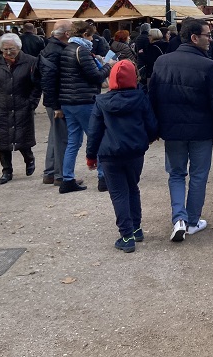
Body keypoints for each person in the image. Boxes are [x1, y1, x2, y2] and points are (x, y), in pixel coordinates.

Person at [149, 18, 213, 242]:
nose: (211, 40)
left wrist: (155, 127)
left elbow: (152, 96)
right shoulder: (209, 66)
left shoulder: (162, 62)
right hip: (201, 130)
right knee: (199, 175)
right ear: (194, 37)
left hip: (172, 130)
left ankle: (179, 218)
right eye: (207, 35)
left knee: (176, 174)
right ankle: (192, 220)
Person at [86, 60, 159, 253]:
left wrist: (90, 156)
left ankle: (126, 235)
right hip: (135, 151)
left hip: (110, 153)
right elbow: (151, 123)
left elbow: (94, 131)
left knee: (118, 193)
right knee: (132, 188)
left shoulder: (101, 102)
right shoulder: (141, 98)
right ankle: (136, 228)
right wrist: (150, 138)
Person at [58, 21, 114, 194]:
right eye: (91, 35)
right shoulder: (81, 51)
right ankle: (103, 177)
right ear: (84, 35)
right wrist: (108, 66)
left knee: (73, 141)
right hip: (83, 100)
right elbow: (95, 76)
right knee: (96, 137)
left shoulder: (67, 49)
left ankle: (67, 178)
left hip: (68, 101)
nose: (92, 38)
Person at [0, 33, 42, 185]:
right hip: (1, 105)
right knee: (2, 141)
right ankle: (6, 170)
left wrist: (32, 102)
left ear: (19, 48)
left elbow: (37, 85)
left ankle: (29, 159)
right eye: (5, 50)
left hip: (22, 104)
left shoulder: (31, 61)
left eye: (12, 49)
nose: (8, 53)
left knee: (23, 137)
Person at [38, 20, 72, 186]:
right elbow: (50, 81)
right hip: (57, 101)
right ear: (66, 34)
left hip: (53, 100)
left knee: (55, 136)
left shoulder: (48, 48)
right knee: (61, 138)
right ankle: (60, 175)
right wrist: (57, 105)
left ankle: (50, 173)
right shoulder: (57, 51)